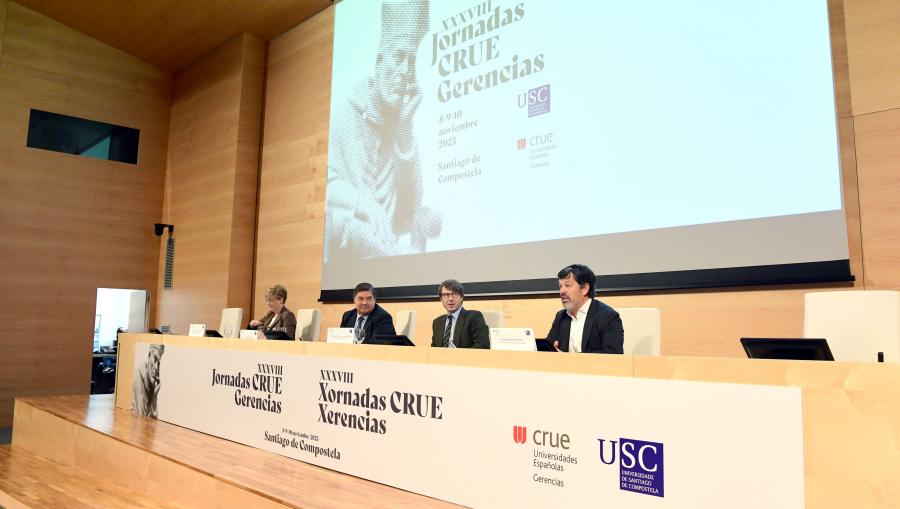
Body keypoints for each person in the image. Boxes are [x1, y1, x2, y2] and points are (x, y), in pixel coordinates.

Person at [324, 0, 441, 263]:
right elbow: (328, 187)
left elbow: (409, 210)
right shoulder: (345, 115)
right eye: (399, 58)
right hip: (350, 242)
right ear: (379, 62)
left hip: (383, 245)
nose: (404, 72)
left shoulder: (398, 125)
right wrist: (363, 203)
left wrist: (404, 130)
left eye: (411, 63)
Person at [546, 264, 624, 354]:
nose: (562, 291)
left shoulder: (607, 316)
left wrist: (570, 358)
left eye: (568, 285)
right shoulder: (561, 316)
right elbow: (549, 347)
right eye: (560, 286)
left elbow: (613, 354)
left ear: (584, 289)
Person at [431, 279, 489, 348]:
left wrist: (458, 354)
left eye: (455, 294)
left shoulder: (474, 317)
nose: (450, 299)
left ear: (461, 297)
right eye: (446, 295)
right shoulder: (437, 322)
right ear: (441, 299)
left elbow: (482, 345)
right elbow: (433, 348)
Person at [132, 344, 164, 417]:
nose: (156, 367)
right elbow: (140, 419)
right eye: (155, 359)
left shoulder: (151, 385)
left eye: (159, 364)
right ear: (149, 355)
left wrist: (154, 398)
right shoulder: (139, 377)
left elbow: (152, 422)